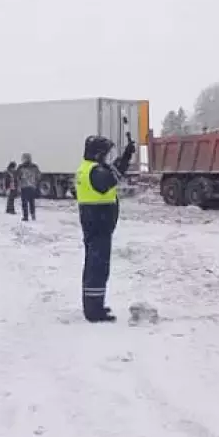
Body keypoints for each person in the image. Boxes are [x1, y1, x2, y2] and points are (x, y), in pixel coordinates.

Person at [75, 132, 136, 323]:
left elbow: (111, 171)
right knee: (98, 267)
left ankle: (95, 305)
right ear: (97, 154)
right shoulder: (94, 171)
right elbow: (110, 179)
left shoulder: (88, 168)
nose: (107, 158)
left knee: (95, 265)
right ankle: (94, 311)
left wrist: (125, 156)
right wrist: (124, 158)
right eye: (106, 154)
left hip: (95, 222)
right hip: (98, 223)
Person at [17, 153, 41, 221]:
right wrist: (35, 182)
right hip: (32, 187)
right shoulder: (34, 167)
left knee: (24, 203)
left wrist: (19, 184)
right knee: (32, 202)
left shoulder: (21, 167)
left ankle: (26, 216)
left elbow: (18, 176)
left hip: (24, 187)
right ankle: (33, 215)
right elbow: (39, 176)